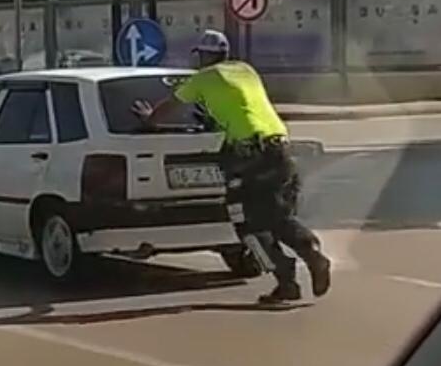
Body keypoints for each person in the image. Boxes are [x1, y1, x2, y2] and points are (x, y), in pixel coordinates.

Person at [133, 30, 331, 304]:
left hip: (249, 155)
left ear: (203, 56)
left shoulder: (203, 78)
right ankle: (312, 253)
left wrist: (149, 118)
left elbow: (168, 109)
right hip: (280, 149)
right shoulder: (246, 71)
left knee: (246, 223)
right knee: (277, 215)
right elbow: (240, 106)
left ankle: (286, 280)